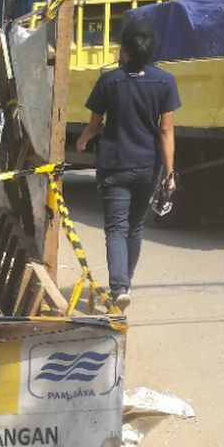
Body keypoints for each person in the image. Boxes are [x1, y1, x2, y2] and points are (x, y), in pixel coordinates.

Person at [76, 21, 179, 311]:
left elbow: (95, 126)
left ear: (124, 48)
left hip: (116, 165)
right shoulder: (165, 81)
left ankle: (119, 286)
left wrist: (82, 141)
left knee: (116, 228)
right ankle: (125, 284)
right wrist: (169, 173)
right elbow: (167, 131)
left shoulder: (109, 81)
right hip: (149, 166)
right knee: (134, 227)